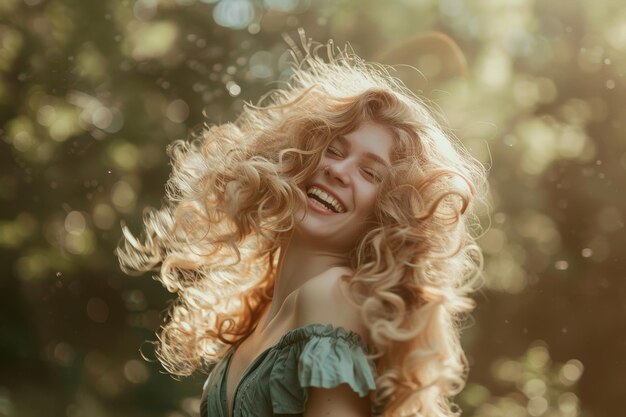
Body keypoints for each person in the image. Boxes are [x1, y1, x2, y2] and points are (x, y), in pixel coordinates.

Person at [117, 33, 487, 417]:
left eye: (370, 173)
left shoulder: (333, 295)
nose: (338, 170)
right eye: (333, 150)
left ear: (389, 214)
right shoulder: (262, 313)